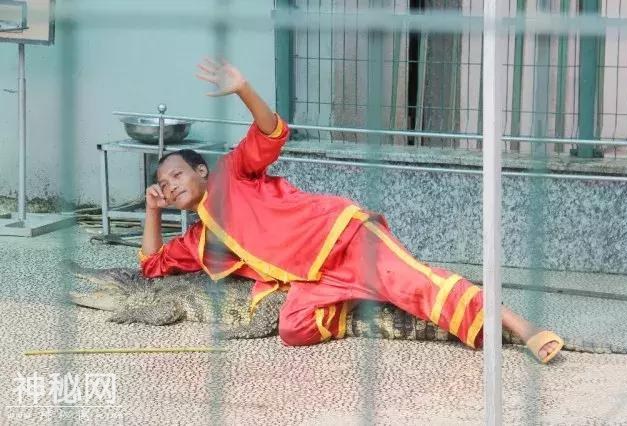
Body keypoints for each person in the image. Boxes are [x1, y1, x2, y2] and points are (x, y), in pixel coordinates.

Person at [139, 58, 564, 363]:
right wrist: (153, 211)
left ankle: (520, 326)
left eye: (177, 174)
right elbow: (152, 265)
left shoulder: (232, 173)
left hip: (342, 239)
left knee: (418, 286)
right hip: (312, 279)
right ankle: (351, 300)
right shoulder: (199, 240)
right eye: (164, 184)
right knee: (292, 329)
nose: (171, 185)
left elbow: (271, 133)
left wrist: (244, 89)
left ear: (201, 170)